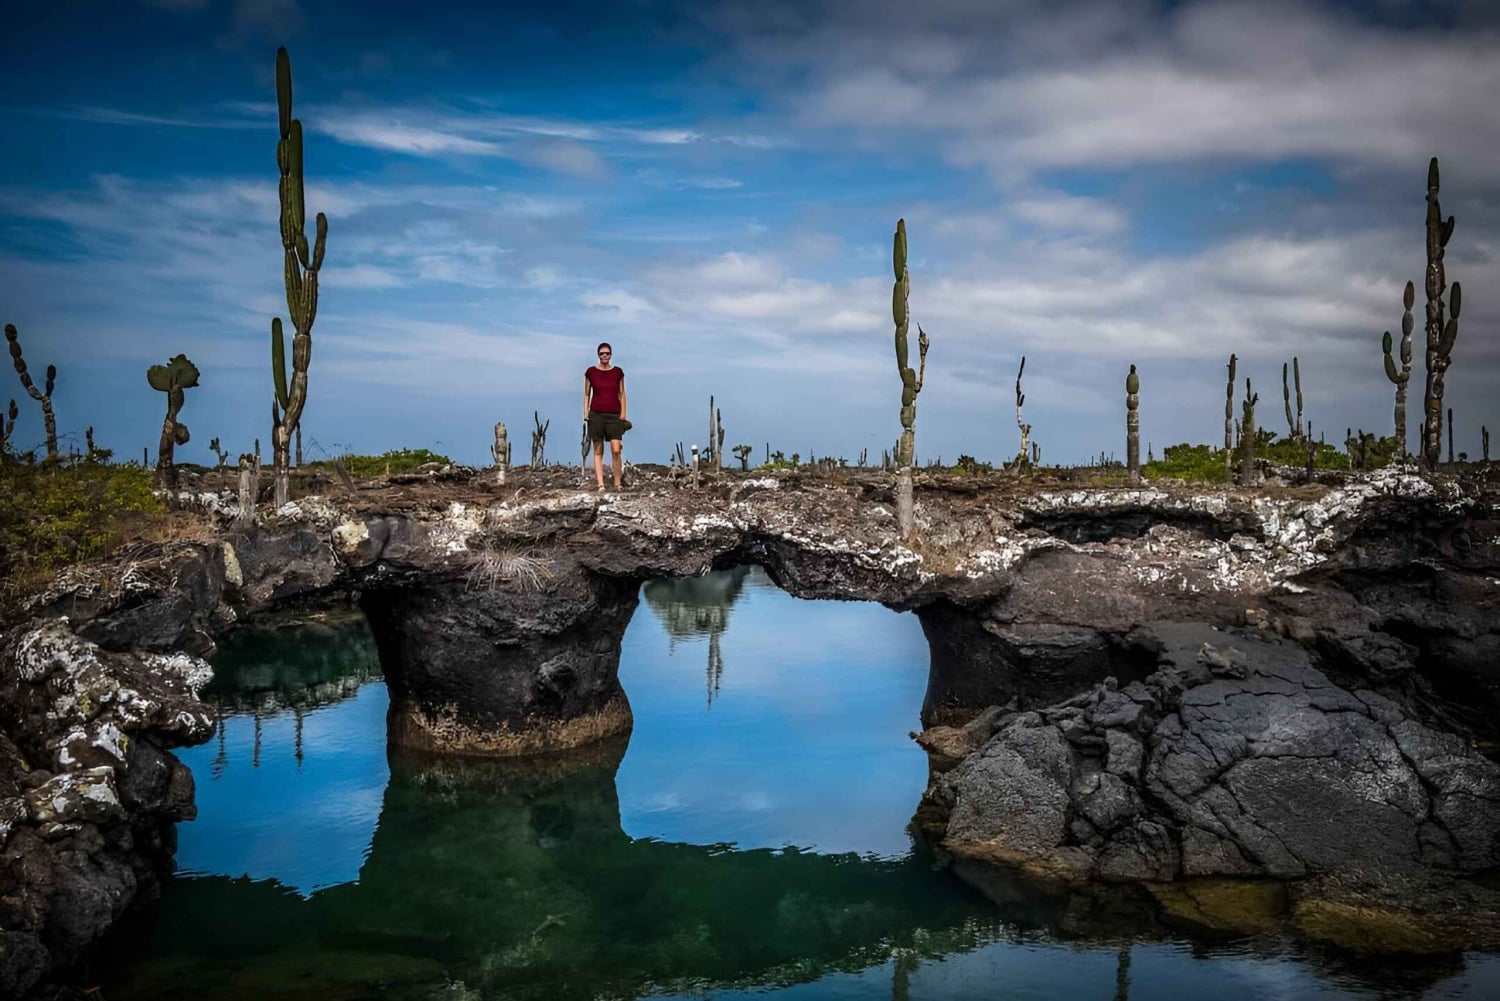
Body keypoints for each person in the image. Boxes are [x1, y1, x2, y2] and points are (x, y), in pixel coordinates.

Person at [583, 341, 628, 491]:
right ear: (598, 355)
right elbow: (586, 393)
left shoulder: (617, 372)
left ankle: (617, 483)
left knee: (616, 449)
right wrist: (585, 413)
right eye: (602, 353)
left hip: (614, 415)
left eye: (607, 353)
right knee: (598, 449)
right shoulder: (591, 372)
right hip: (596, 414)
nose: (604, 356)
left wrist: (623, 414)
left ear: (611, 354)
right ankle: (601, 484)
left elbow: (622, 393)